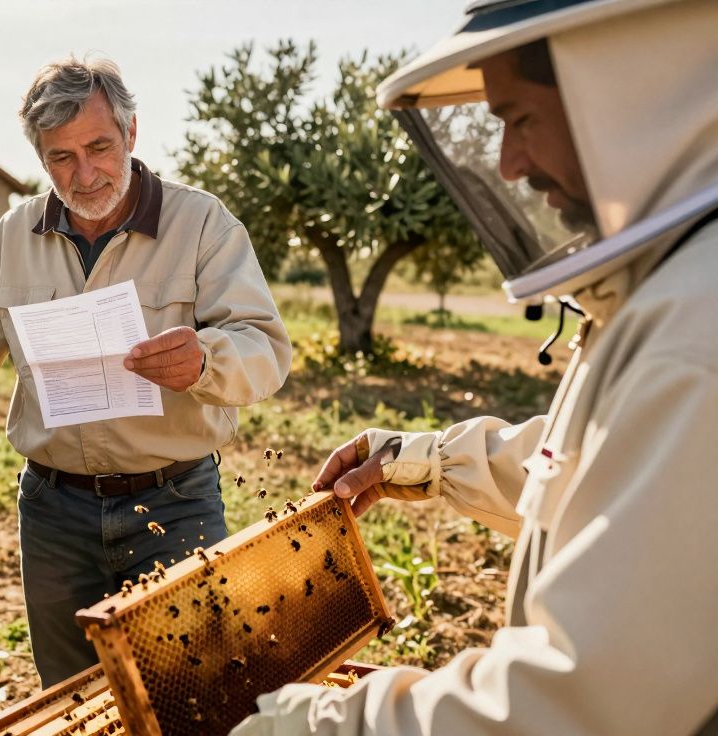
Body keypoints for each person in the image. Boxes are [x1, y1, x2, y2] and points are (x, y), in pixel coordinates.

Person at [232, 0, 718, 733]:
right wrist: (429, 461)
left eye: (520, 119)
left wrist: (304, 727)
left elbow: (571, 704)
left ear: (628, 96)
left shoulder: (696, 334)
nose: (509, 164)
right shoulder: (678, 290)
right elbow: (608, 463)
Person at [0, 57, 291, 686]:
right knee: (69, 696)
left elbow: (265, 347)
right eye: (61, 157)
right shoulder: (10, 238)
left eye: (99, 148)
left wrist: (205, 359)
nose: (84, 174)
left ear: (131, 133)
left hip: (174, 504)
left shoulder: (202, 224)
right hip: (53, 513)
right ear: (40, 157)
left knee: (190, 691)